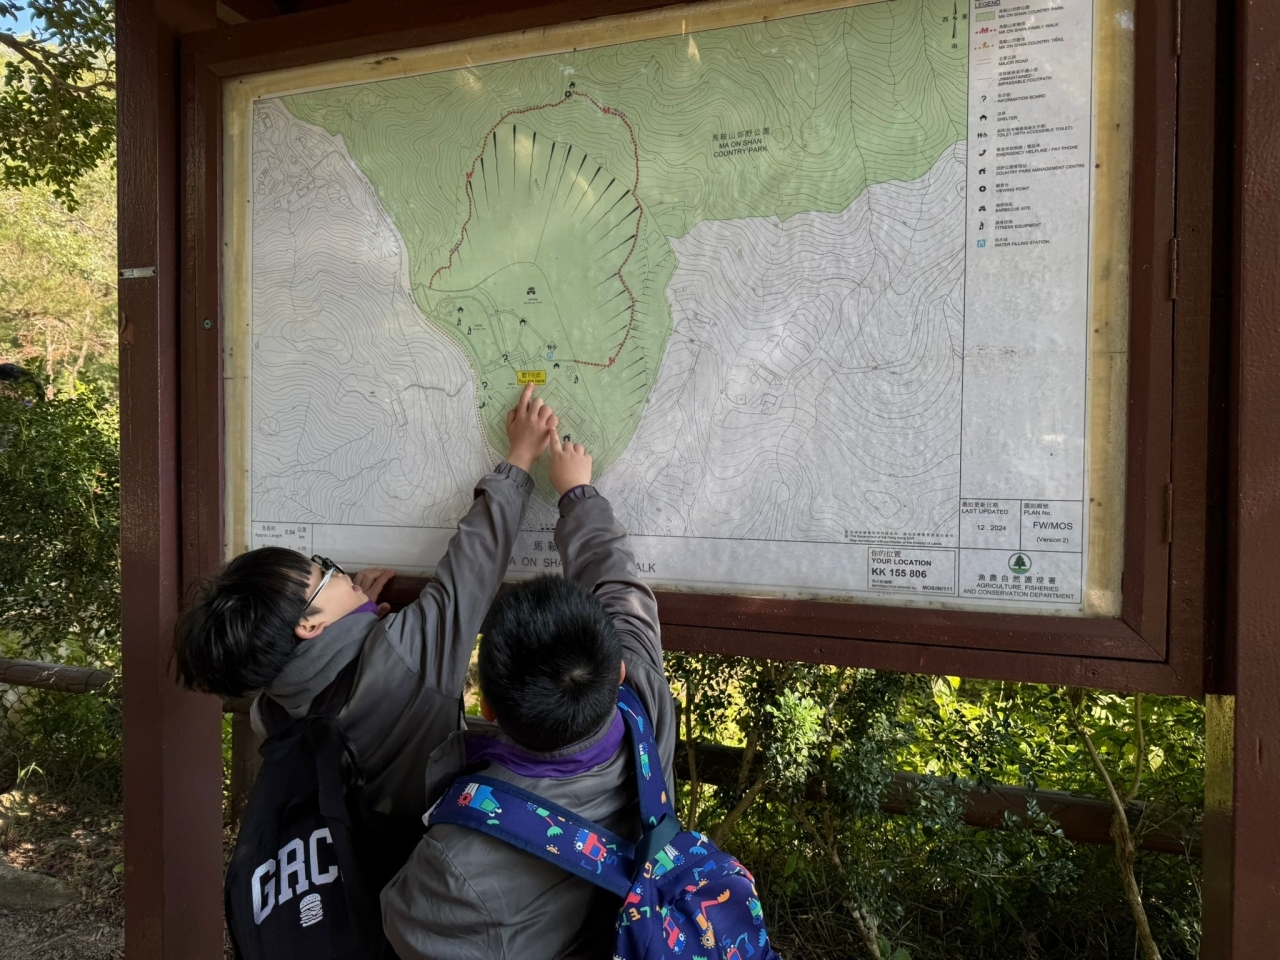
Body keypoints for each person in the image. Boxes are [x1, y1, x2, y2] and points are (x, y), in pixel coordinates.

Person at [173, 382, 559, 819]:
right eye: (324, 574)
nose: (340, 573)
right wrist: (521, 457)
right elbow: (472, 569)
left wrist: (354, 622)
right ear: (310, 624)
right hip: (423, 849)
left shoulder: (274, 707)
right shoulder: (404, 655)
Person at [381, 434, 675, 960]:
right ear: (619, 671)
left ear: (487, 709)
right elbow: (618, 585)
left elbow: (400, 924)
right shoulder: (645, 702)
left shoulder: (457, 867)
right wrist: (578, 494)